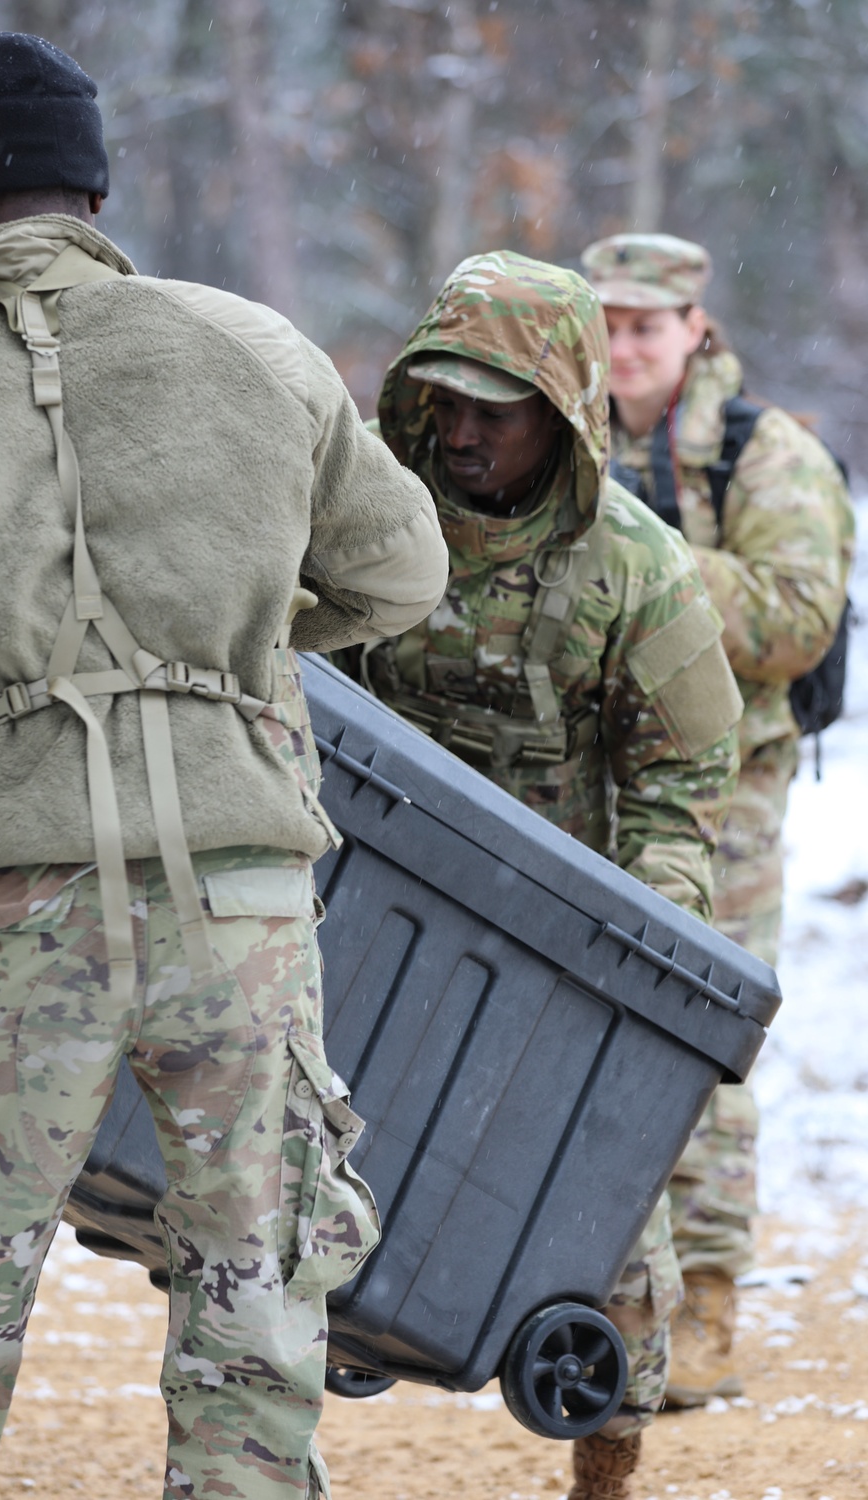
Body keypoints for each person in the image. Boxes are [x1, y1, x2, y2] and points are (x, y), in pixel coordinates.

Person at [0, 32, 449, 1500]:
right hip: (243, 911)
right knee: (252, 1292)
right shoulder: (254, 348)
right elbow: (402, 577)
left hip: (16, 913)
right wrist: (234, 642)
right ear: (98, 183)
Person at [333, 249, 743, 1500]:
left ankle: (603, 1479)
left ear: (559, 413)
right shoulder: (364, 516)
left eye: (492, 412)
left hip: (566, 947)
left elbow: (681, 785)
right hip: (376, 919)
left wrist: (642, 964)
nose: (459, 434)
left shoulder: (637, 568)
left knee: (607, 1251)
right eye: (442, 404)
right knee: (283, 1211)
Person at [579, 232, 855, 1408]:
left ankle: (709, 1306)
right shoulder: (559, 437)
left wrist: (647, 565)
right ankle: (592, 1289)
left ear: (696, 328)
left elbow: (800, 617)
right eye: (609, 324)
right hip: (583, 786)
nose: (626, 347)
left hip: (723, 794)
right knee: (578, 1042)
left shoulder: (765, 453)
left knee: (704, 1045)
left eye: (648, 326)